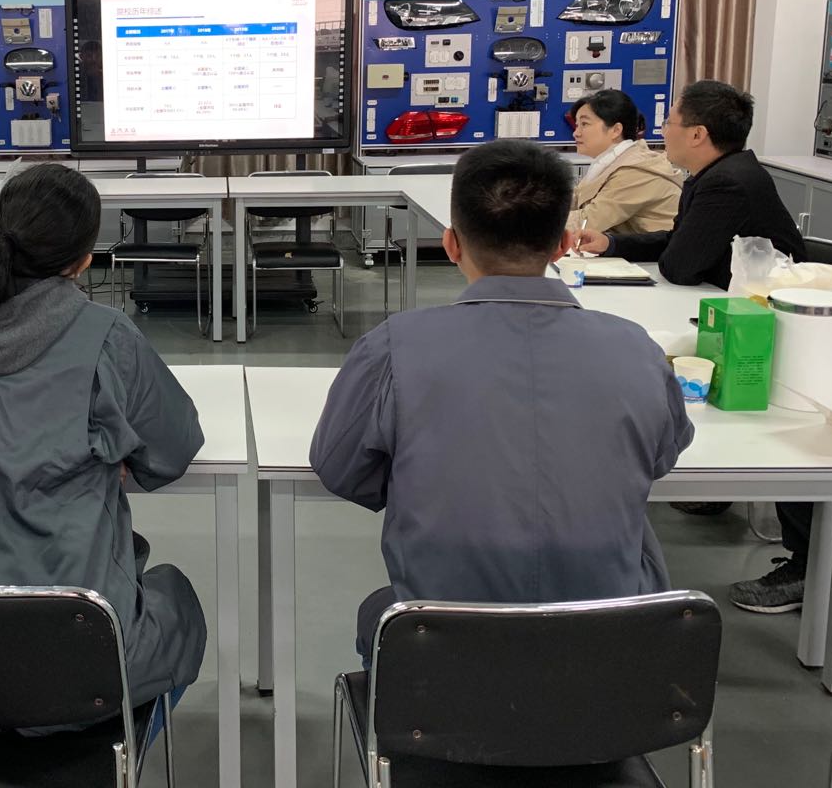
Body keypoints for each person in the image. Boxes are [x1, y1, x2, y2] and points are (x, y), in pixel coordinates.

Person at [310, 140, 693, 662]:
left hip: (444, 652)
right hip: (611, 650)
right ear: (563, 245)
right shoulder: (636, 349)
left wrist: (420, 482)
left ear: (451, 244)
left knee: (384, 611)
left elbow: (340, 469)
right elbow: (661, 458)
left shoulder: (394, 348)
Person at [0, 163, 205, 726]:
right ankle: (109, 755)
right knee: (178, 603)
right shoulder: (104, 334)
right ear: (83, 260)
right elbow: (172, 450)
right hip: (79, 651)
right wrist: (113, 449)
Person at [576, 80, 806, 288]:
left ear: (697, 135)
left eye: (668, 123)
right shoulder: (715, 173)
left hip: (765, 305)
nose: (663, 132)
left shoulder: (726, 184)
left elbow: (679, 267)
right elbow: (675, 240)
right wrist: (611, 244)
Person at [568, 89, 681, 235]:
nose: (576, 133)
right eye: (577, 125)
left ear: (616, 130)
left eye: (584, 124)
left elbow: (588, 221)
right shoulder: (611, 162)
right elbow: (575, 200)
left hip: (658, 249)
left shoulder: (636, 170)